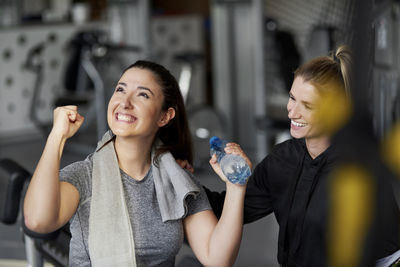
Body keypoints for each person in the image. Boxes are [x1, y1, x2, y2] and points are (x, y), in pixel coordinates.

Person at [23, 60, 252, 267]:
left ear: (165, 116)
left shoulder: (178, 181)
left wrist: (236, 186)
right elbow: (38, 221)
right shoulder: (85, 176)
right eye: (120, 90)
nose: (125, 102)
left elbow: (218, 258)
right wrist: (57, 137)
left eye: (142, 95)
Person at [203, 45, 400, 266]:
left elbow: (385, 255)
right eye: (292, 97)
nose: (292, 112)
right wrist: (181, 179)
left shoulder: (358, 172)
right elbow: (233, 210)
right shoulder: (282, 159)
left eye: (307, 105)